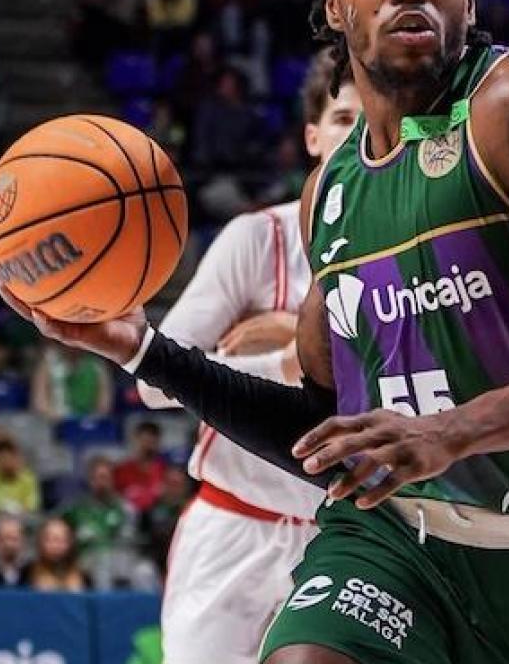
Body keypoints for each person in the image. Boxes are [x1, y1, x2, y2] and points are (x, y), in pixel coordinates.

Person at [0, 0, 509, 664]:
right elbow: (324, 431)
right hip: (387, 541)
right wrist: (142, 350)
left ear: (469, 1)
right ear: (337, 10)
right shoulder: (333, 193)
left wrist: (448, 434)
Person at [137, 50, 362, 664]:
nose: (359, 136)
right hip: (234, 528)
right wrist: (286, 366)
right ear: (313, 136)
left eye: (374, 122)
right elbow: (155, 384)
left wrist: (294, 338)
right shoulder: (257, 240)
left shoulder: (415, 248)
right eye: (344, 119)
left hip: (348, 544)